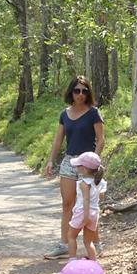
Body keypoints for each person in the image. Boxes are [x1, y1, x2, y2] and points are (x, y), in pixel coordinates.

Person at [45, 77, 105, 258]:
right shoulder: (65, 114)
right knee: (68, 204)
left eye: (84, 91)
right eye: (77, 90)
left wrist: (93, 161)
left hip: (88, 165)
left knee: (90, 206)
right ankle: (64, 244)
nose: (80, 94)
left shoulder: (93, 113)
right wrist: (50, 160)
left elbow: (101, 139)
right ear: (71, 92)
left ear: (88, 93)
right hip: (70, 163)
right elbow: (58, 140)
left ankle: (96, 243)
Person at [67, 151, 105, 259]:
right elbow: (102, 197)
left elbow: (86, 199)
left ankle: (72, 260)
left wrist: (85, 217)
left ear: (83, 169)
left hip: (83, 212)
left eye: (78, 166)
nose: (76, 168)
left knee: (71, 236)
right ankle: (94, 264)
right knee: (88, 242)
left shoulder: (83, 183)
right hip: (95, 212)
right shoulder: (100, 182)